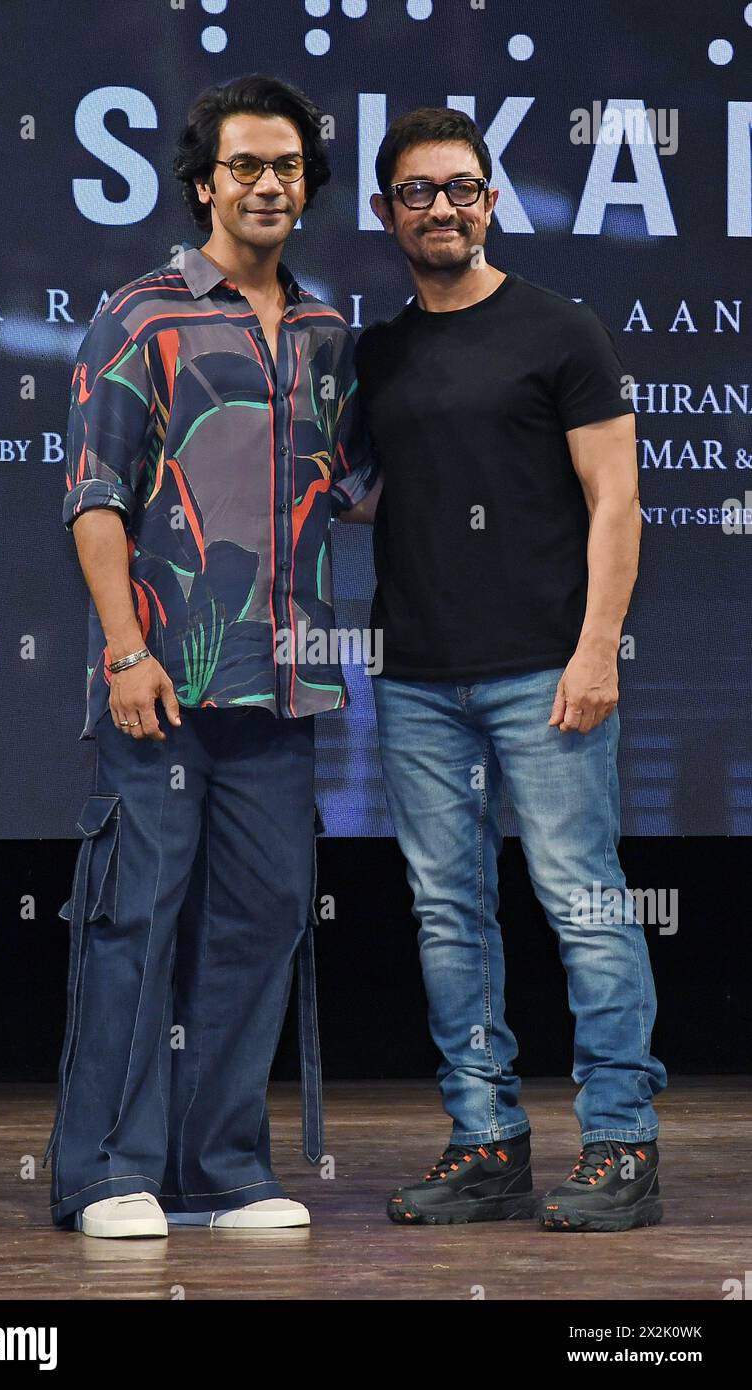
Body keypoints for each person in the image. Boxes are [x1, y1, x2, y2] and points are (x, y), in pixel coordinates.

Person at [42, 74, 378, 1237]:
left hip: (281, 688)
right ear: (202, 184)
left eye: (287, 167)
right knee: (136, 916)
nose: (270, 184)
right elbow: (94, 499)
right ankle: (105, 1172)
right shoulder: (140, 315)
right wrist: (126, 653)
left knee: (263, 913)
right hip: (162, 683)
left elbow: (364, 489)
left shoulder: (332, 334)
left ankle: (221, 1168)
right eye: (247, 166)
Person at [352, 107, 667, 1232]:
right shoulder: (378, 351)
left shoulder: (563, 330)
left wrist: (595, 650)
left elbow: (616, 503)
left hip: (549, 671)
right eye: (419, 191)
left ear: (492, 200)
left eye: (463, 187)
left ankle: (623, 1144)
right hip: (417, 678)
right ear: (388, 212)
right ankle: (486, 1139)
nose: (443, 207)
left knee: (585, 905)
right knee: (448, 913)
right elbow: (370, 489)